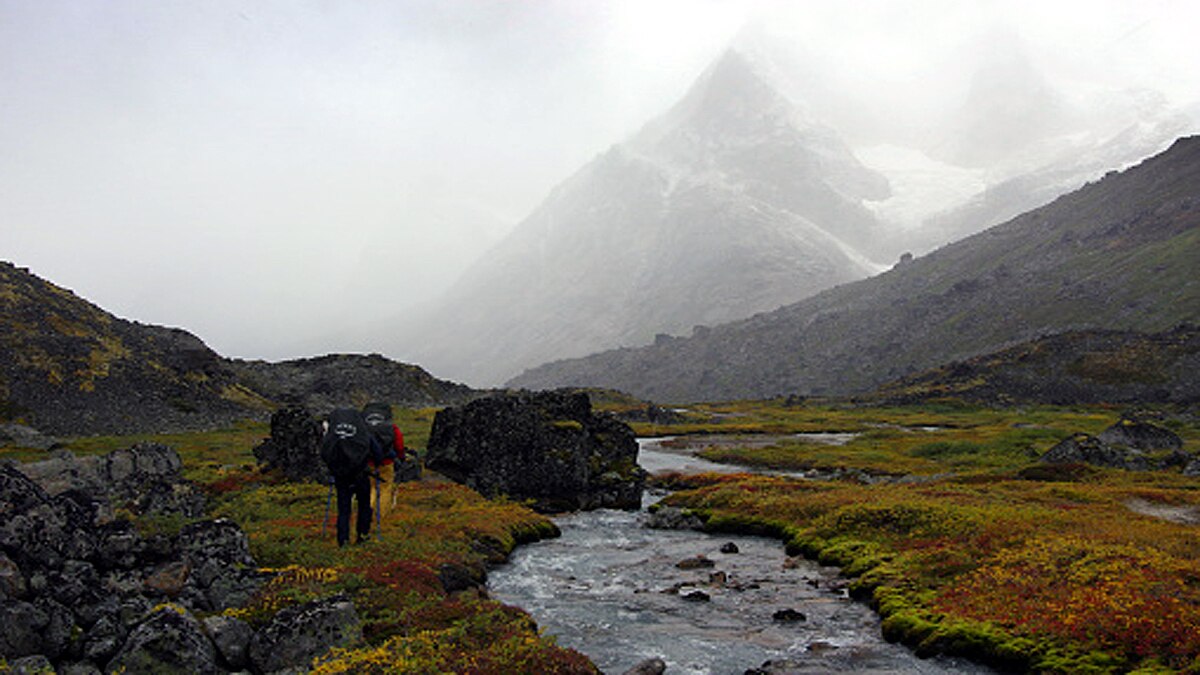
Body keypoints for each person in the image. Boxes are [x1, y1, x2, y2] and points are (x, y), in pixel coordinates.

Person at [320, 407, 383, 546]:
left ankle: (343, 541)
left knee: (344, 509)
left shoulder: (332, 435)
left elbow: (324, 452)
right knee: (364, 507)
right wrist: (375, 463)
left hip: (341, 476)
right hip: (361, 475)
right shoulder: (363, 433)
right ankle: (362, 537)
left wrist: (333, 468)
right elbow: (378, 453)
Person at [362, 401, 405, 518]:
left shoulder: (363, 426)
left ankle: (368, 513)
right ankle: (381, 516)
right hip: (386, 462)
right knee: (385, 488)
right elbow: (399, 444)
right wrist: (401, 457)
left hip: (368, 462)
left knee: (371, 487)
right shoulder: (391, 427)